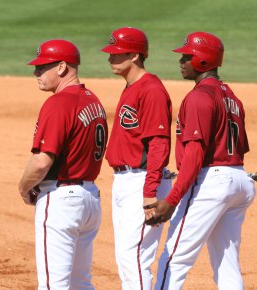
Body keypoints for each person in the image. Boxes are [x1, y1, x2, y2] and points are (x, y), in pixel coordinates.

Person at [150, 32, 257, 290]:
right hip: (240, 179)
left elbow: (195, 155)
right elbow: (241, 147)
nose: (182, 60)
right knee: (226, 262)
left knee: (174, 259)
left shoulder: (199, 97)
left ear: (203, 60)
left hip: (212, 183)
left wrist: (172, 200)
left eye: (188, 56)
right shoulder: (231, 97)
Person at [19, 39, 108, 290]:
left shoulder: (58, 103)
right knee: (80, 283)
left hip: (61, 202)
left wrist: (24, 188)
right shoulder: (93, 100)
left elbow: (41, 162)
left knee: (53, 285)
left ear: (61, 67)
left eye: (42, 67)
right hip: (90, 199)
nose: (36, 73)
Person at [100, 27, 173, 290]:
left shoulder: (151, 89)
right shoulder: (132, 87)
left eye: (116, 54)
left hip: (142, 182)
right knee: (126, 258)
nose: (110, 58)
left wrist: (150, 191)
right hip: (124, 181)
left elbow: (159, 144)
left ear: (134, 55)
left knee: (135, 258)